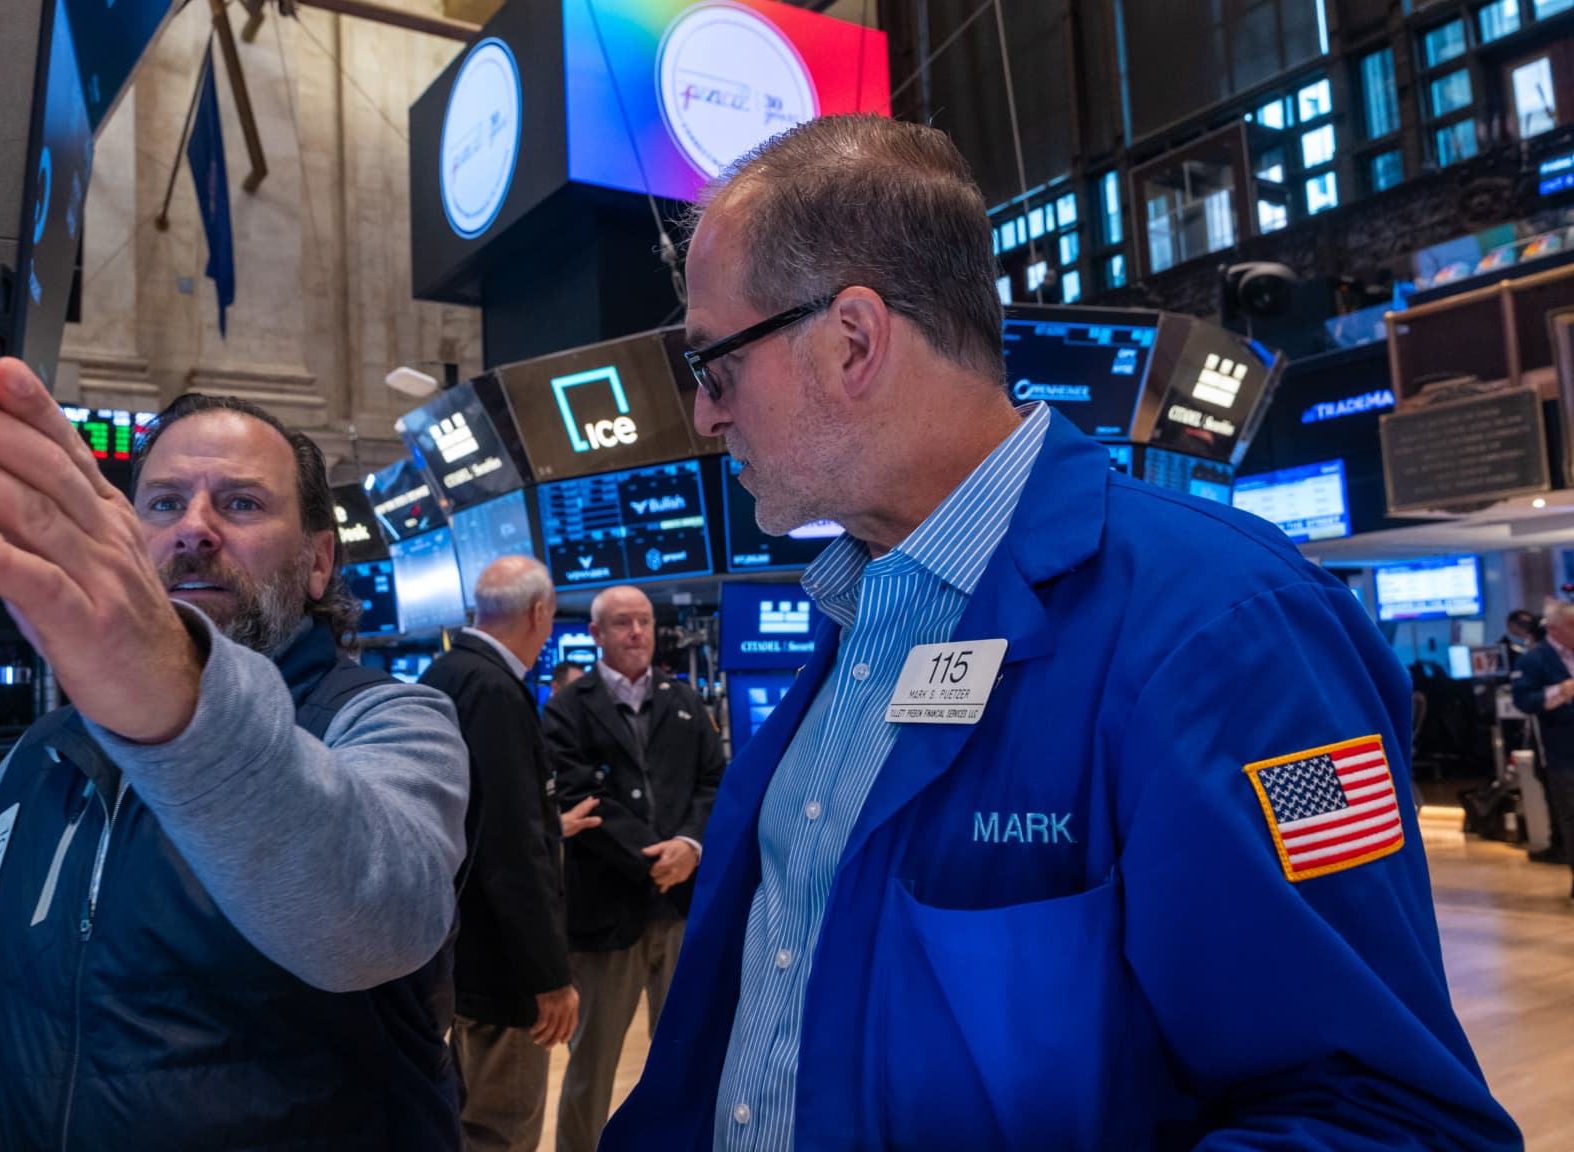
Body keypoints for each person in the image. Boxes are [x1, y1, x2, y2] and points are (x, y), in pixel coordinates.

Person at [600, 115, 1518, 1150]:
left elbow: (1389, 1118)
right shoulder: (863, 622)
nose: (706, 415)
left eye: (713, 365)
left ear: (853, 340)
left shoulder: (1229, 632)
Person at [0, 370, 469, 1150]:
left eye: (241, 504)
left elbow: (376, 927)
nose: (194, 530)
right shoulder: (42, 751)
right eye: (165, 504)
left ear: (318, 561)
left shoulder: (387, 720)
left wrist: (184, 703)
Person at [542, 585, 725, 1152]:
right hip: (607, 914)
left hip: (680, 911)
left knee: (683, 1058)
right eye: (623, 623)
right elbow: (577, 795)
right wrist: (655, 859)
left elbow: (713, 783)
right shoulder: (566, 709)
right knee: (593, 1066)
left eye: (644, 621)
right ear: (596, 633)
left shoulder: (685, 700)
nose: (637, 632)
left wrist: (689, 845)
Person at [418, 556, 576, 1152]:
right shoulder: (494, 689)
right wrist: (549, 978)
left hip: (452, 951)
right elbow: (512, 850)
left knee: (464, 1122)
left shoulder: (444, 672)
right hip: (501, 968)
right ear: (538, 613)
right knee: (501, 1131)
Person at [1511, 599, 1574, 899]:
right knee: (1571, 818)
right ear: (1555, 628)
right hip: (1563, 753)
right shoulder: (1535, 660)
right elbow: (1524, 700)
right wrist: (1559, 692)